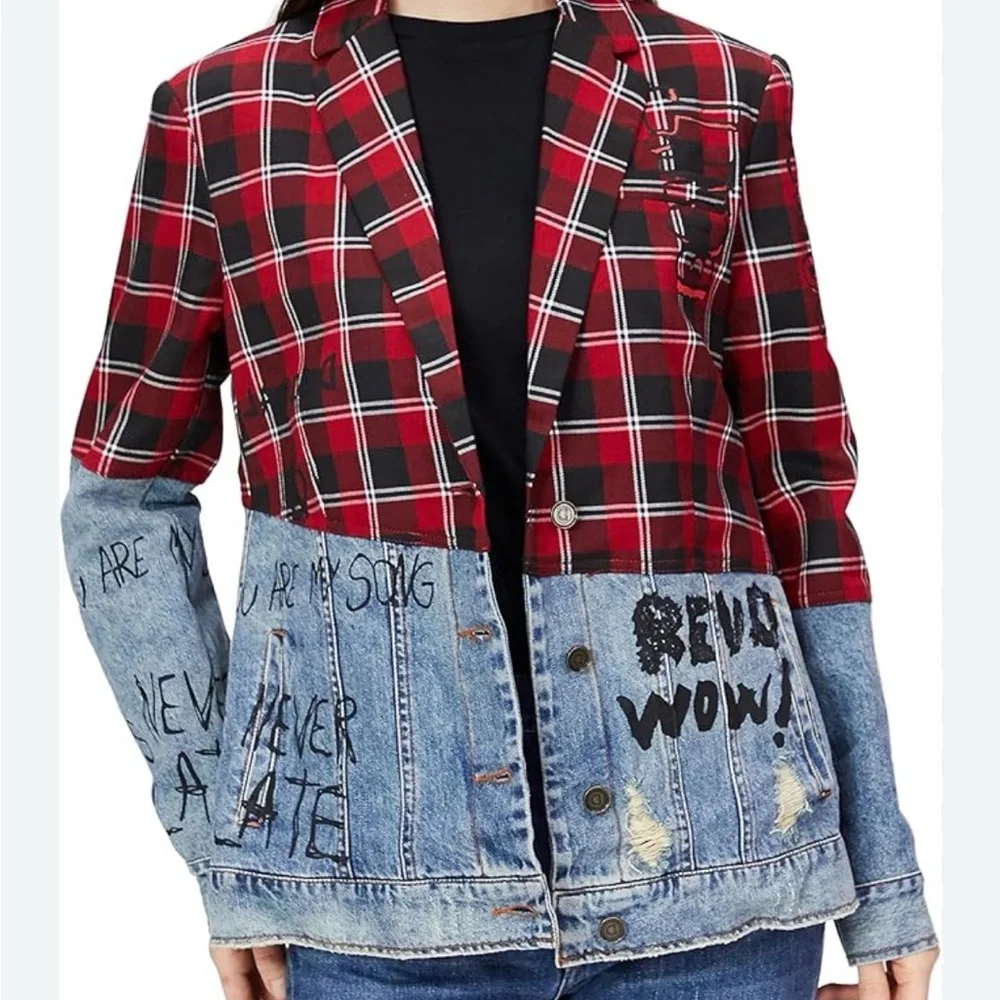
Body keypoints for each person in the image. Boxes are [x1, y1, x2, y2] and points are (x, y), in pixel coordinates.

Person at [59, 0, 940, 997]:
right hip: (375, 901)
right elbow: (122, 496)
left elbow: (803, 492)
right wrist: (230, 846)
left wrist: (883, 877)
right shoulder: (225, 113)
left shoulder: (720, 89)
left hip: (716, 874)